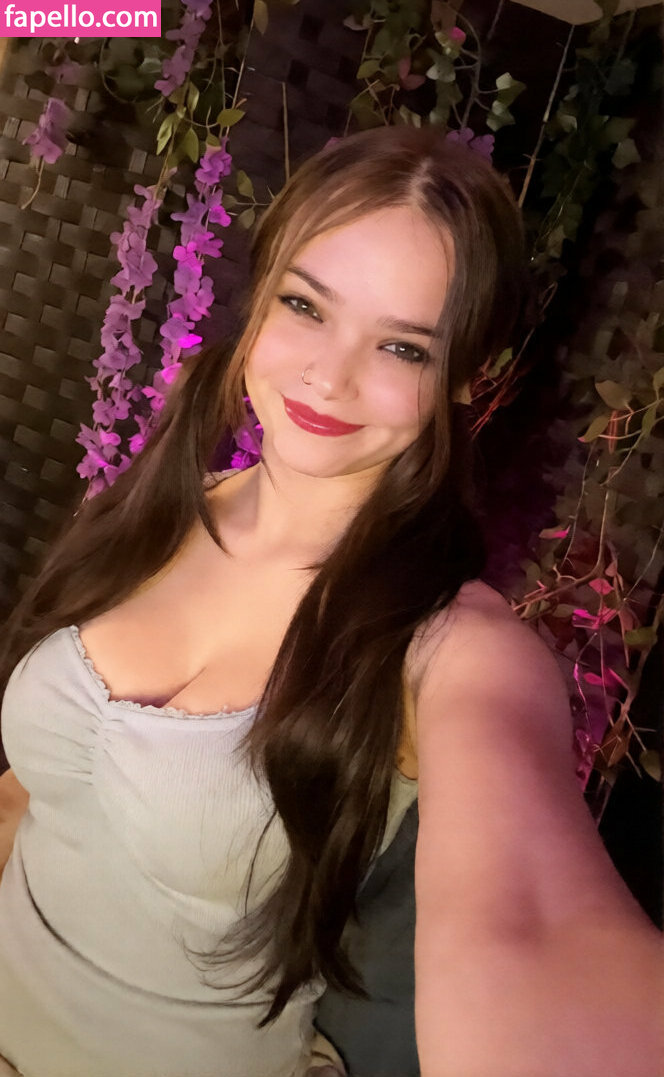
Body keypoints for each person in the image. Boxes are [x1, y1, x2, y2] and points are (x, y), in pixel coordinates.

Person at [0, 126, 661, 1077]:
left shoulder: (452, 648)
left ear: (467, 378)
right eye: (305, 305)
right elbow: (42, 795)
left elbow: (532, 929)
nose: (328, 374)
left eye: (402, 345)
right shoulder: (154, 509)